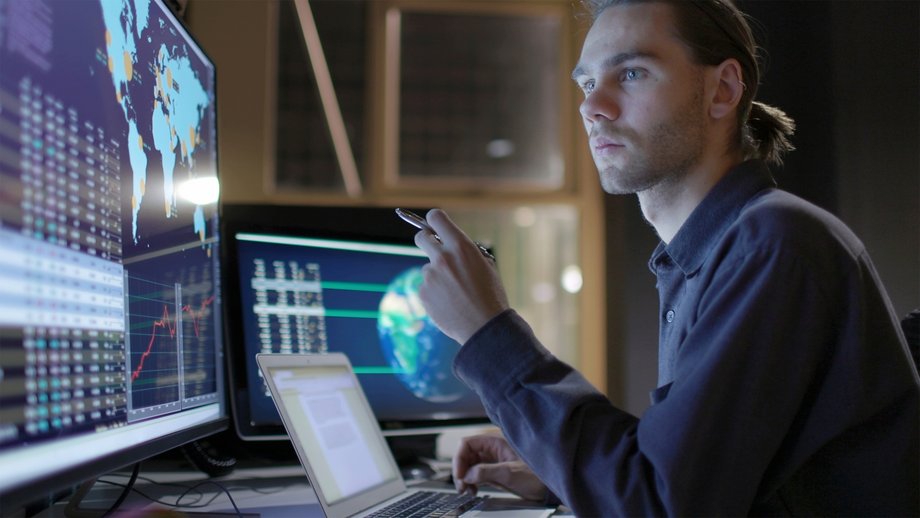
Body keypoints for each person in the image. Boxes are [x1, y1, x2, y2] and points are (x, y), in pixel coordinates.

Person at [411, 0, 920, 516]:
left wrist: (488, 332)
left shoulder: (772, 246)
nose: (593, 107)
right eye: (587, 84)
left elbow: (662, 504)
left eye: (631, 73)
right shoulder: (712, 252)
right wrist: (560, 476)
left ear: (721, 90)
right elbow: (690, 476)